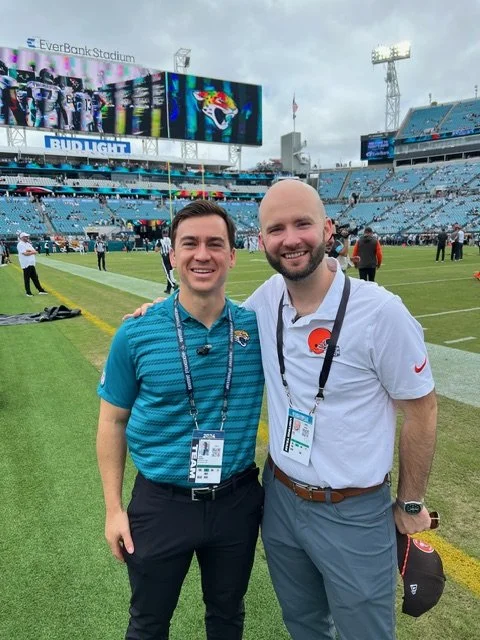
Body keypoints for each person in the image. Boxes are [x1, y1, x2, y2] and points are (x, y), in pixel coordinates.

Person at [128, 182, 438, 640]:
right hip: (280, 499)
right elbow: (213, 312)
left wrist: (411, 502)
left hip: (352, 507)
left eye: (302, 224)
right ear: (262, 239)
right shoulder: (267, 299)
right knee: (306, 626)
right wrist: (164, 308)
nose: (290, 238)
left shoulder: (381, 313)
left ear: (328, 229)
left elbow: (422, 410)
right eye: (276, 228)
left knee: (365, 633)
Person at [97, 201, 264, 640]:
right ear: (173, 254)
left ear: (232, 254)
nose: (202, 254)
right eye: (190, 244)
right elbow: (112, 422)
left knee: (228, 615)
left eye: (215, 244)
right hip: (162, 503)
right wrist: (113, 509)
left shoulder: (260, 329)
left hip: (237, 499)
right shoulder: (136, 333)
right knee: (149, 623)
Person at [16, 232, 48, 297]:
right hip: (26, 264)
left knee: (35, 278)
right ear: (22, 237)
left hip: (31, 263)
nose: (27, 237)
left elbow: (34, 251)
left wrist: (30, 251)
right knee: (27, 279)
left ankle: (40, 290)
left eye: (27, 236)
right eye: (25, 236)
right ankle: (28, 292)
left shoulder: (28, 244)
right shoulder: (20, 244)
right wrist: (31, 252)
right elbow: (25, 253)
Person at [155, 228, 178, 293]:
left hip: (165, 257)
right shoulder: (170, 240)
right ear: (167, 233)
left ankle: (174, 285)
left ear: (162, 234)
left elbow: (156, 250)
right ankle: (168, 289)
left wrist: (159, 247)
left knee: (167, 273)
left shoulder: (160, 240)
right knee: (170, 272)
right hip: (171, 256)